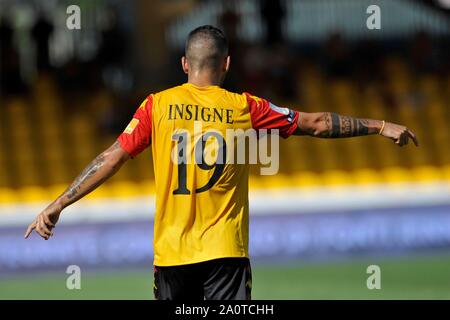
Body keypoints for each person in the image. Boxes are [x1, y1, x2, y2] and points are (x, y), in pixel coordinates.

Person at [24, 25, 418, 300]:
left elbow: (111, 158)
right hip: (225, 255)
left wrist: (58, 204)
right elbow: (315, 124)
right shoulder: (246, 106)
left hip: (172, 257)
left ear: (184, 64)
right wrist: (379, 124)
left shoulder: (156, 106)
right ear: (226, 65)